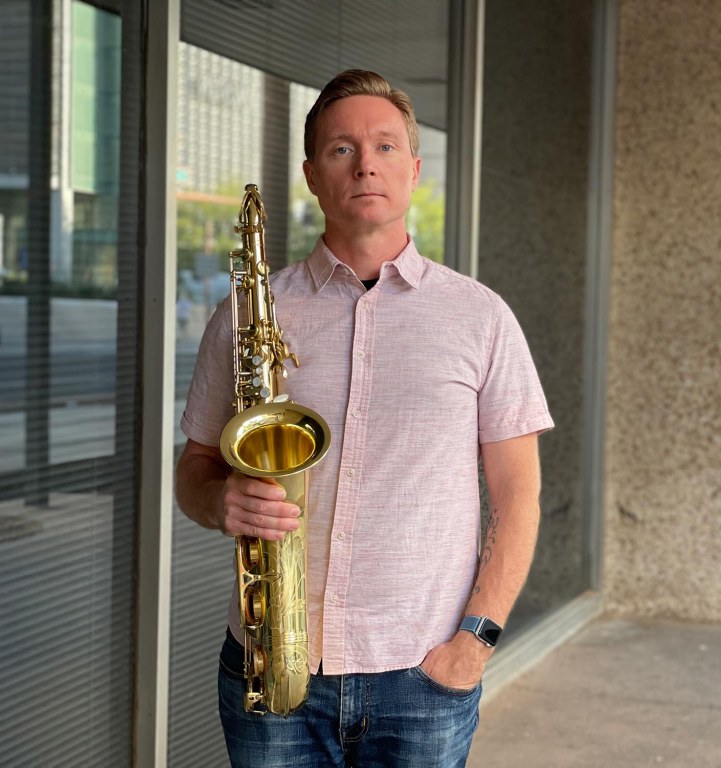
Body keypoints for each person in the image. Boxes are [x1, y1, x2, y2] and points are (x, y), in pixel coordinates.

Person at [175, 69, 553, 768]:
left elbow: (518, 496)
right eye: (341, 149)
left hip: (422, 677)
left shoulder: (481, 318)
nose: (365, 164)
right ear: (312, 176)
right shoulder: (247, 312)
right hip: (269, 665)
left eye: (384, 146)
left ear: (414, 170)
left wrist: (474, 643)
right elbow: (195, 468)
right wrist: (218, 499)